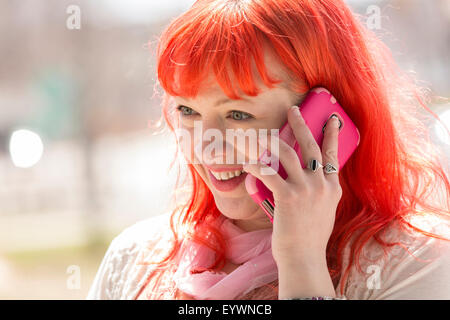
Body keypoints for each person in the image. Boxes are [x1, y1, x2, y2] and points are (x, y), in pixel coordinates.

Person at [87, 0, 450, 300]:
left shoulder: (414, 260)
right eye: (188, 110)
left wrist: (301, 261)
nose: (205, 144)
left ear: (322, 121)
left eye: (239, 114)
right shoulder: (135, 258)